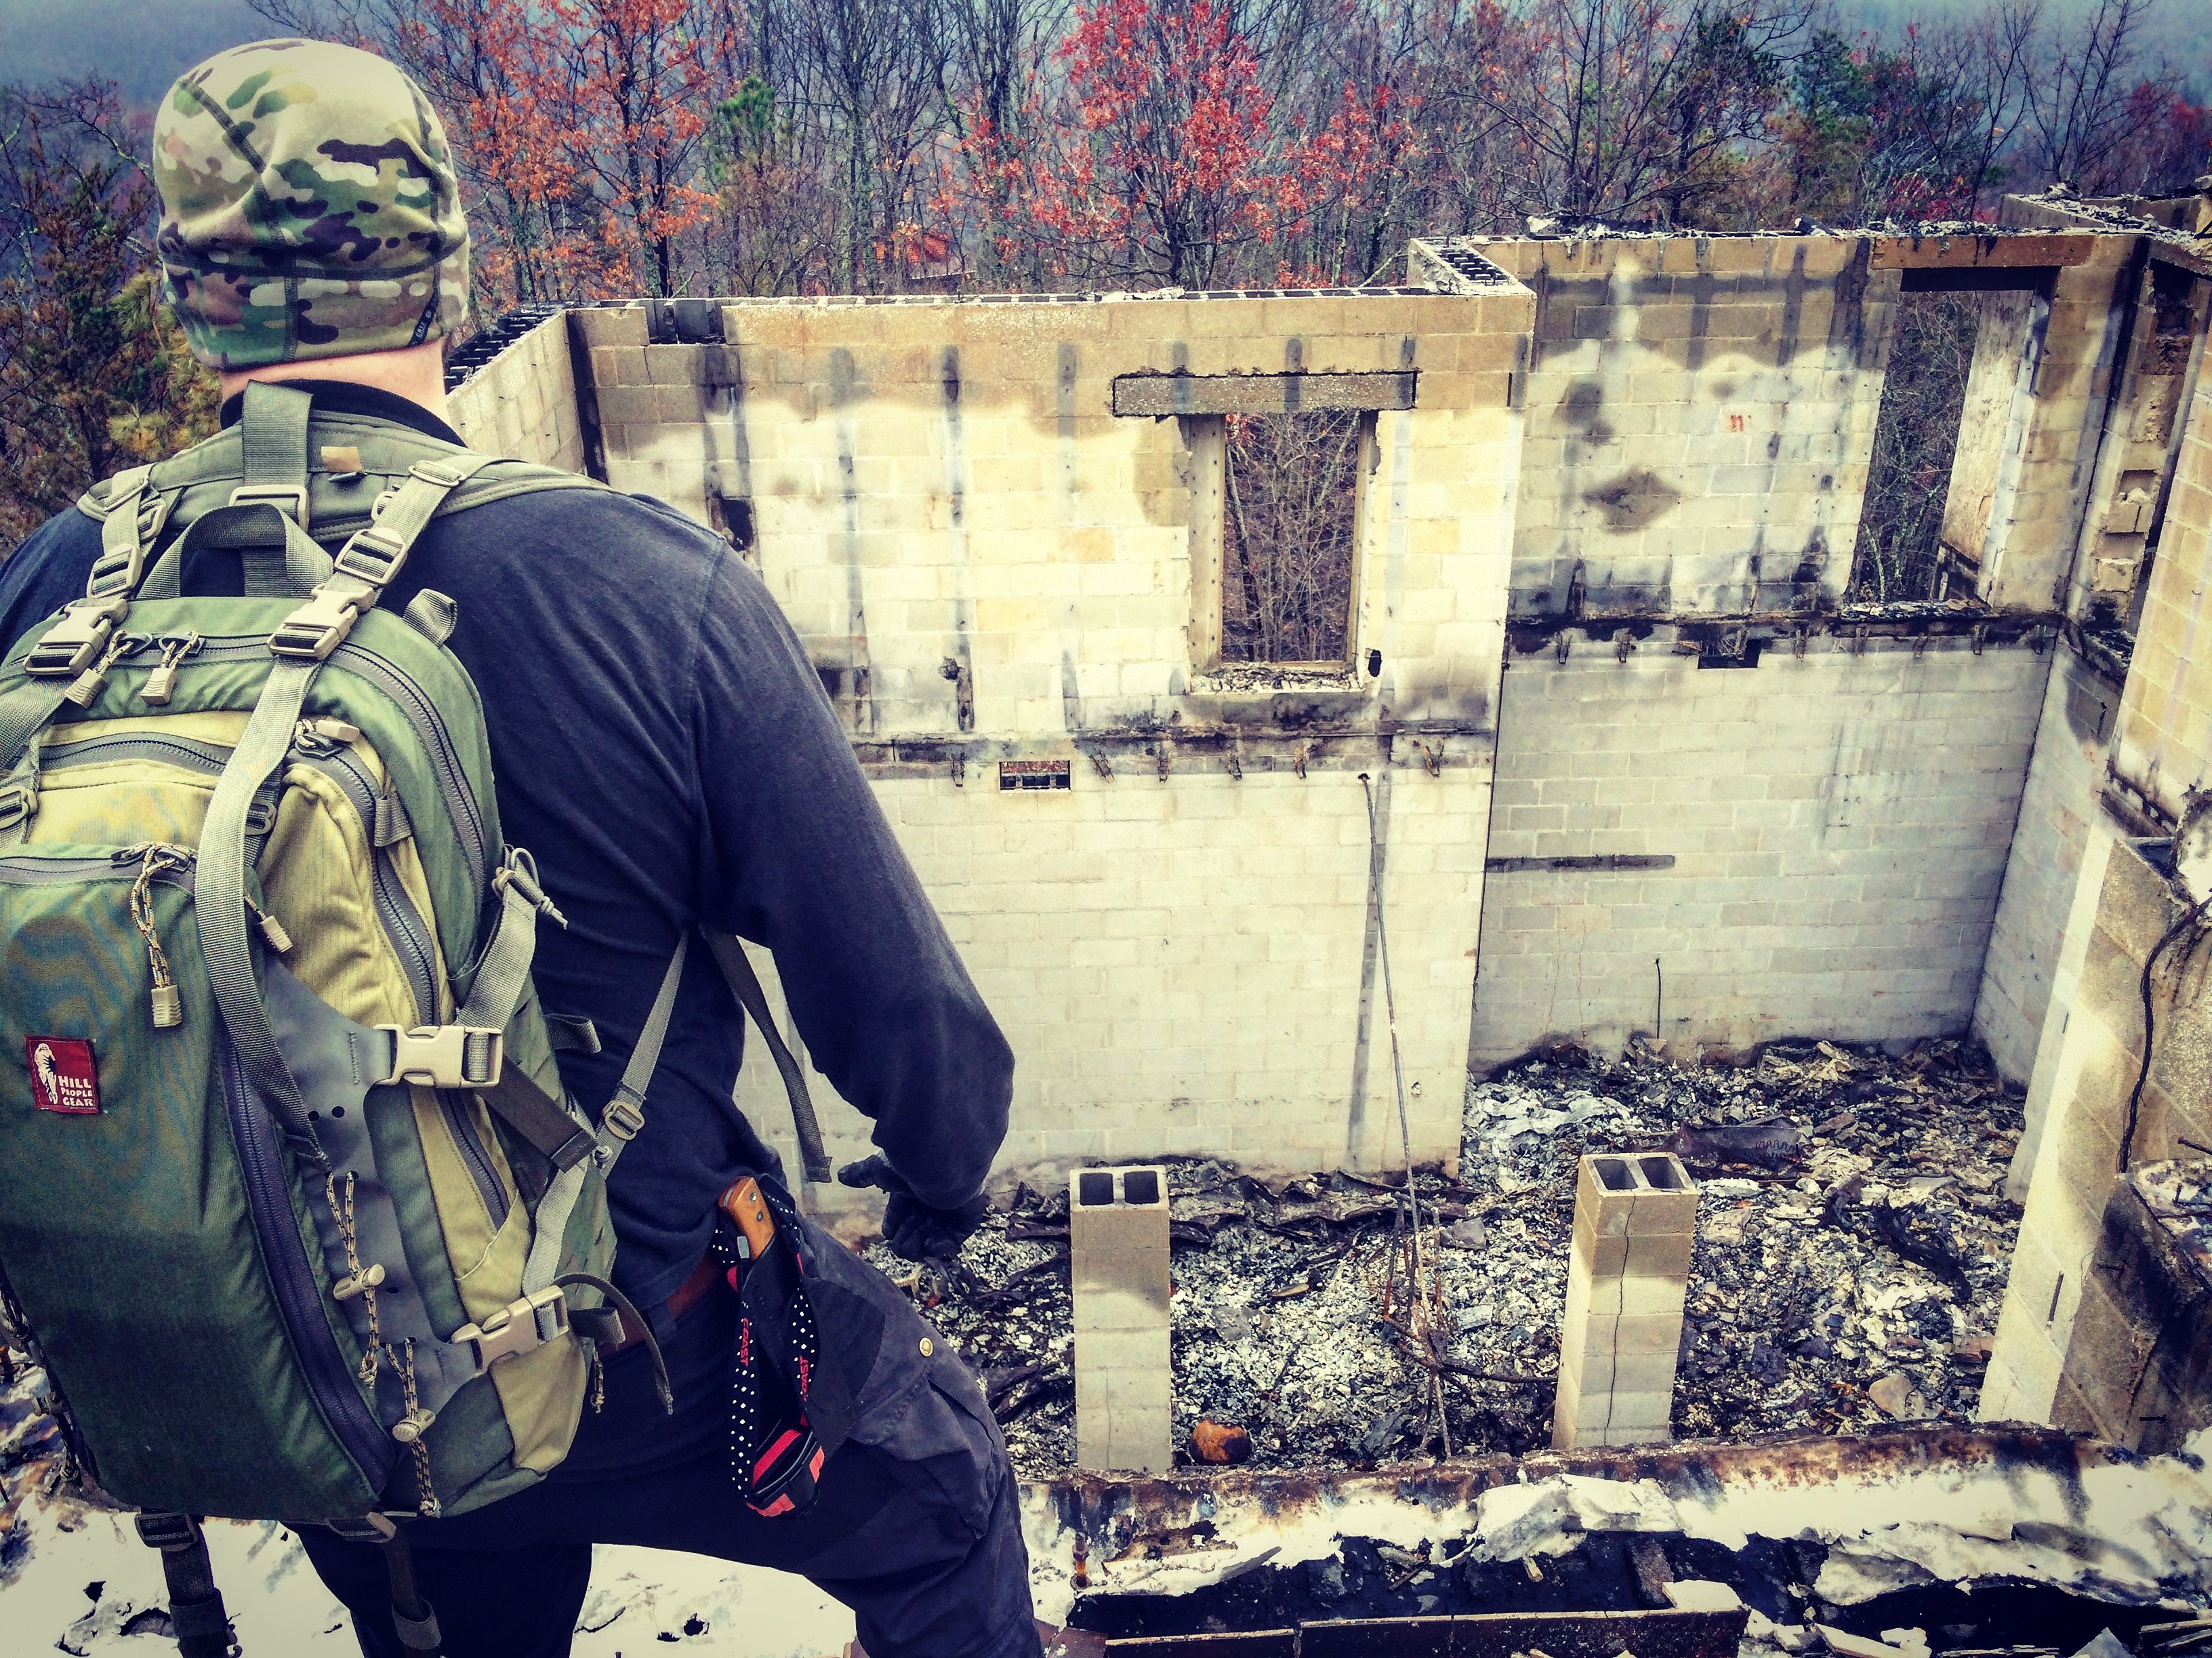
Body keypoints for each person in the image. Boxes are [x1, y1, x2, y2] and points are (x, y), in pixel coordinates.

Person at [0, 37, 1033, 1658]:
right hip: (658, 1366)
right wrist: (945, 1174)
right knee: (943, 1496)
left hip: (311, 1382)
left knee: (450, 1569)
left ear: (187, 294)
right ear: (449, 265)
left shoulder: (60, 592)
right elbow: (906, 1016)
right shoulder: (642, 586)